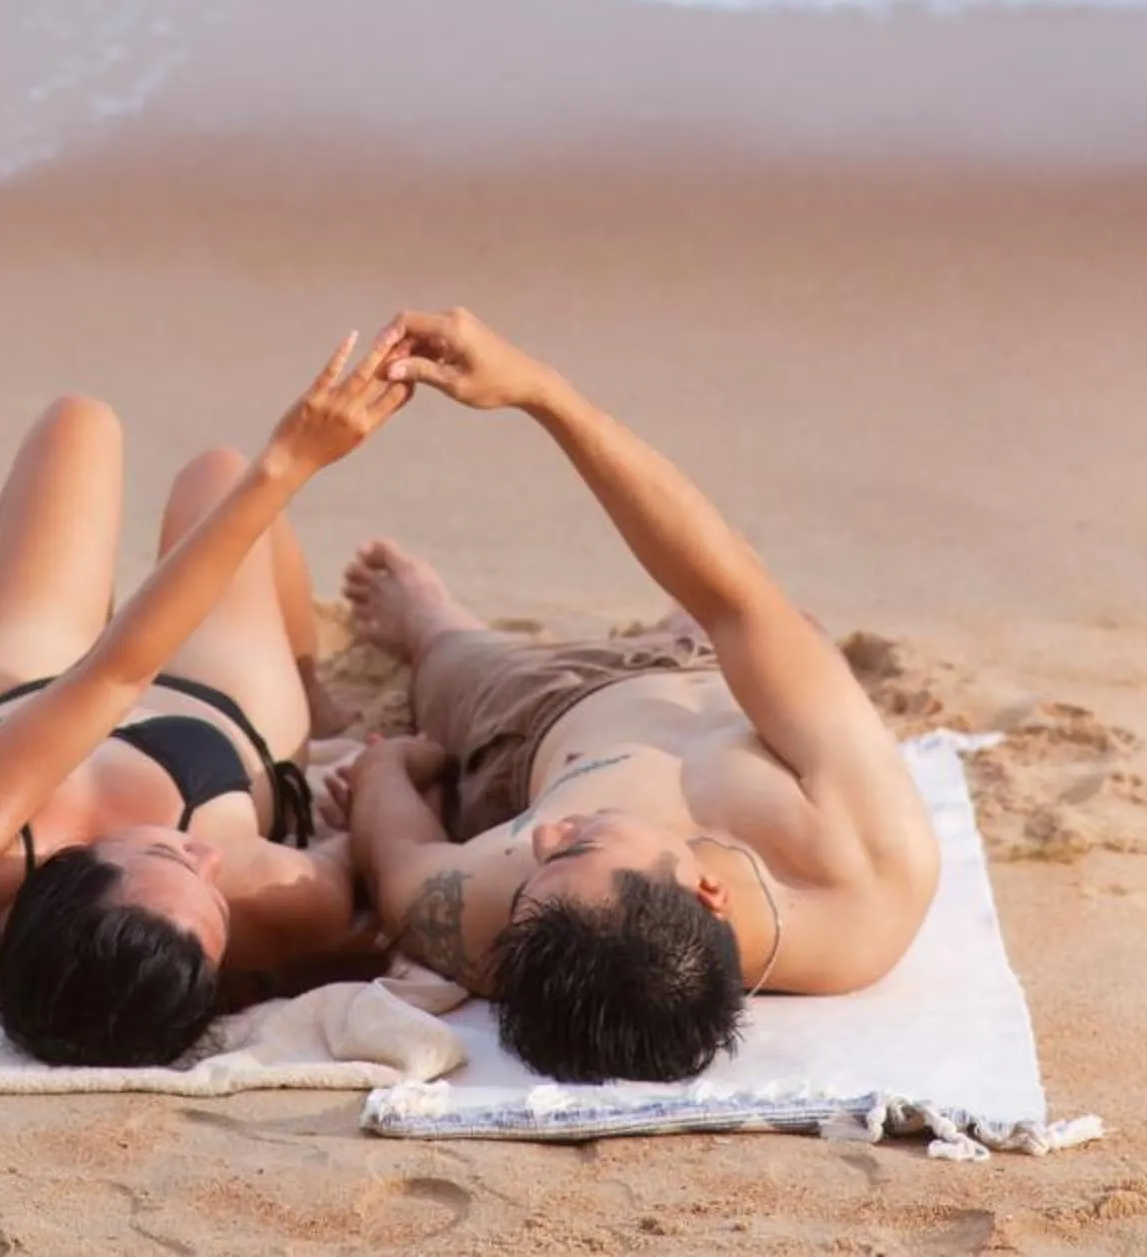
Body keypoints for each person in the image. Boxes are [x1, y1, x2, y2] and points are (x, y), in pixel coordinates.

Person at [334, 307, 941, 1084]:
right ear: (709, 890)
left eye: (534, 870)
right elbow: (736, 602)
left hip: (533, 712)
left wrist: (387, 771)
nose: (545, 839)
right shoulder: (865, 868)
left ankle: (434, 619)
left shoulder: (526, 923)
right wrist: (541, 392)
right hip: (704, 663)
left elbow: (401, 876)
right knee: (768, 610)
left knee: (444, 651)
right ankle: (639, 629)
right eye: (577, 847)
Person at [0, 333, 407, 1066]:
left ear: (63, 877)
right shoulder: (271, 901)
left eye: (174, 860)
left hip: (26, 698)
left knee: (78, 424)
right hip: (215, 724)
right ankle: (309, 685)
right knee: (222, 478)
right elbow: (359, 852)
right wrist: (379, 783)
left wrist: (293, 461)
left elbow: (116, 674)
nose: (207, 857)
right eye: (215, 904)